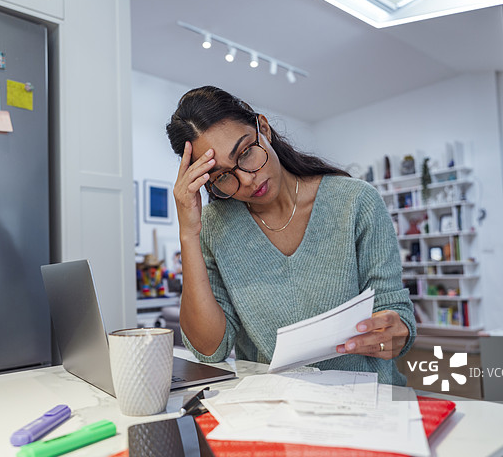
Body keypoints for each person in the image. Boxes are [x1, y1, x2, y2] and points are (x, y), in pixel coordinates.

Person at [166, 86, 415, 385]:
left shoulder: (355, 203)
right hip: (274, 410)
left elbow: (394, 311)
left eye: (245, 152)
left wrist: (395, 331)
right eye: (222, 177)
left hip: (366, 404)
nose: (246, 179)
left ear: (265, 130)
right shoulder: (214, 228)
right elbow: (209, 350)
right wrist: (188, 234)